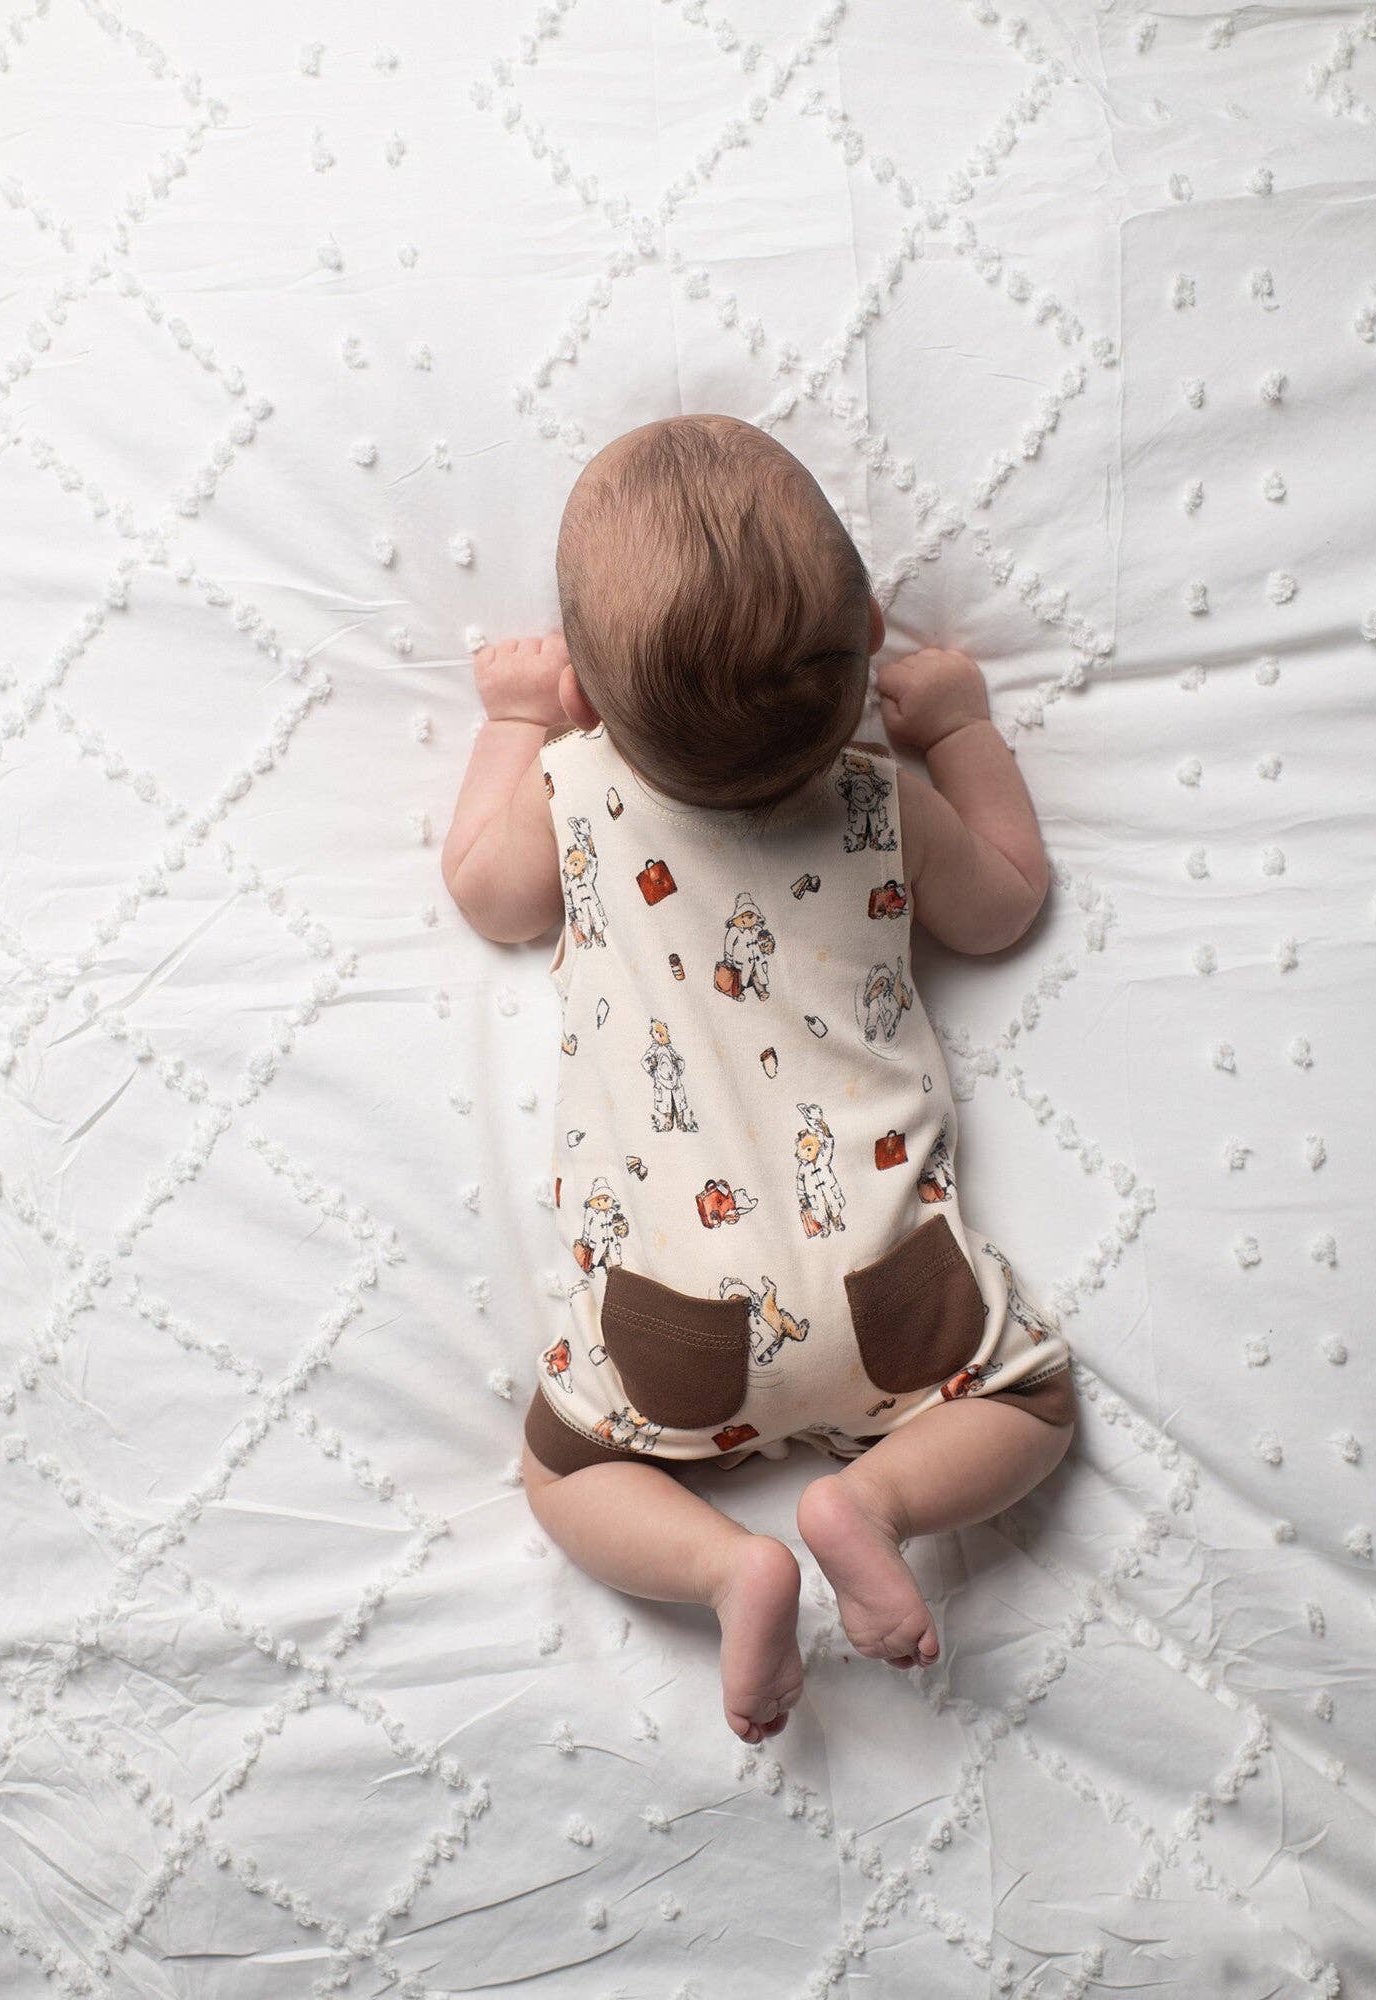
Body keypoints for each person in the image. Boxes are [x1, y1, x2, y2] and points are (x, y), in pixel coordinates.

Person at [441, 414, 1075, 1748]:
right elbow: (1007, 904)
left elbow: (487, 899)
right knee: (1032, 1404)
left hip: (674, 1327)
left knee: (563, 1474)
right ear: (856, 679)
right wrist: (959, 732)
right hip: (893, 1293)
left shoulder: (576, 790)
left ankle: (733, 1569)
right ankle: (877, 1506)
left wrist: (510, 721)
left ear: (597, 706)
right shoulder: (875, 799)